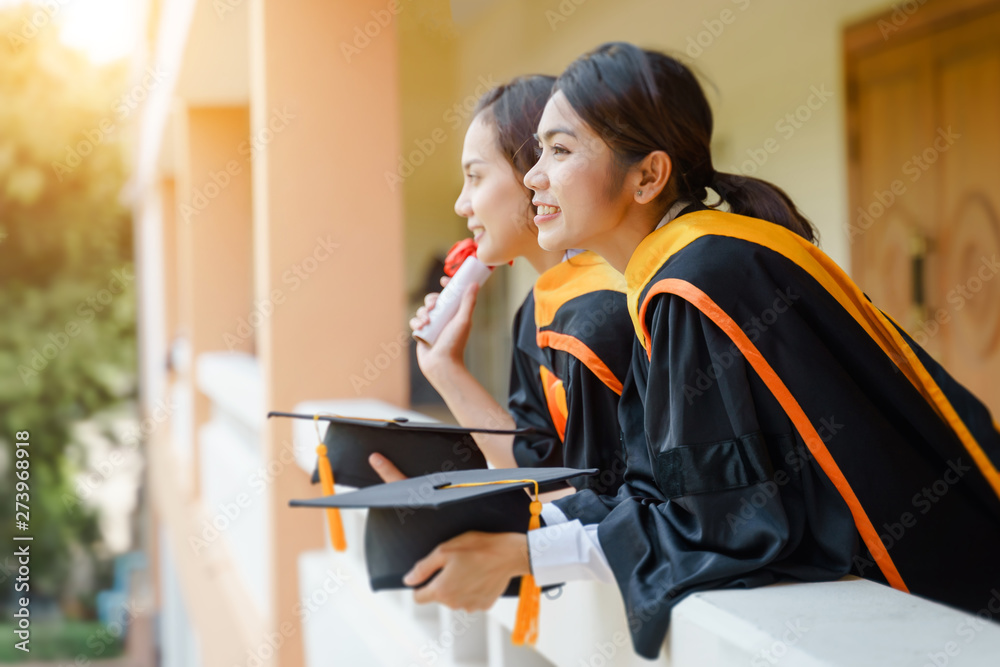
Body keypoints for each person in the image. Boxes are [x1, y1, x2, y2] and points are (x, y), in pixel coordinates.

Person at [402, 42, 1000, 659]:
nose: (534, 176)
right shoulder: (682, 269)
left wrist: (523, 553)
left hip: (939, 597)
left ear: (648, 175)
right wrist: (494, 522)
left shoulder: (695, 284)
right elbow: (654, 490)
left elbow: (723, 521)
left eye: (559, 150)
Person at [372, 74, 633, 500]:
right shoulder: (537, 308)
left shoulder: (606, 307)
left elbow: (600, 500)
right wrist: (443, 367)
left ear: (536, 170)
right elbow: (538, 468)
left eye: (475, 177)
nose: (462, 205)